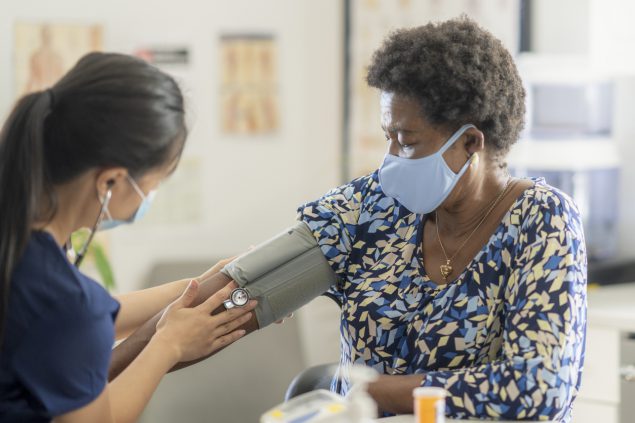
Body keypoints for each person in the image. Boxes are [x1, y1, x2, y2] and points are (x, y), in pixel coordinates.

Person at [110, 17, 587, 422]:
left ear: (470, 143)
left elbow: (537, 387)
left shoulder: (541, 222)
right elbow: (238, 290)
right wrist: (93, 379)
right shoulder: (370, 208)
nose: (391, 158)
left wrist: (359, 388)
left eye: (408, 140)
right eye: (388, 136)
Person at [0, 52, 257, 422]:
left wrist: (197, 286)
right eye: (152, 184)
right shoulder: (65, 301)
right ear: (110, 182)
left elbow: (86, 317)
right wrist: (169, 345)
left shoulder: (22, 242)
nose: (149, 198)